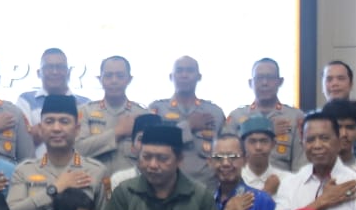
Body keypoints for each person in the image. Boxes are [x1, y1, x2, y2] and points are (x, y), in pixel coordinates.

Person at [6, 94, 105, 210]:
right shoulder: (24, 170)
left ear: (77, 129)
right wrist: (52, 191)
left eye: (64, 122)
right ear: (40, 129)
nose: (56, 128)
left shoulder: (95, 171)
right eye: (49, 121)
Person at [149, 56, 226, 193]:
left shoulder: (215, 112)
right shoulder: (158, 109)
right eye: (179, 71)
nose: (184, 75)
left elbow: (226, 150)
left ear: (199, 77)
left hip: (206, 188)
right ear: (171, 76)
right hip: (166, 187)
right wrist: (189, 125)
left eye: (189, 71)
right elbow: (152, 145)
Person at [223, 57, 303, 173]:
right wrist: (268, 131)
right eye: (259, 78)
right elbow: (226, 156)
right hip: (244, 181)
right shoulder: (236, 117)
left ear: (280, 82)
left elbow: (300, 164)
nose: (264, 83)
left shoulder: (295, 117)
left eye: (270, 78)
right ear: (250, 83)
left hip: (284, 182)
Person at [76, 55, 145, 181]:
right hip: (93, 185)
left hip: (130, 187)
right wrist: (117, 132)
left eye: (120, 76)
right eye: (108, 75)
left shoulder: (143, 115)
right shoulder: (85, 112)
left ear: (129, 79)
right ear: (100, 79)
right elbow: (78, 150)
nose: (114, 80)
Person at [17, 47, 90, 134]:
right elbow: (22, 136)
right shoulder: (26, 100)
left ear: (69, 72)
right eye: (49, 67)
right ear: (38, 73)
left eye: (60, 67)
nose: (55, 72)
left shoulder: (86, 104)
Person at [109, 114, 164, 192]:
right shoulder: (120, 180)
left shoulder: (171, 179)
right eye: (141, 139)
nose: (147, 144)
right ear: (132, 147)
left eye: (153, 138)